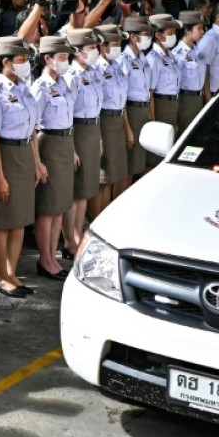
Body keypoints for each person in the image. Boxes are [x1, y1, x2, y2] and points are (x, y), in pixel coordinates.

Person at [0, 37, 41, 297]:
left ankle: (12, 271)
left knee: (19, 218)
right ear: (6, 62)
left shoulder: (25, 89)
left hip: (23, 153)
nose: (26, 64)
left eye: (27, 59)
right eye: (21, 60)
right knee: (2, 219)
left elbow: (32, 131)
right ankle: (0, 275)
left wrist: (36, 162)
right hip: (5, 154)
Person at [31, 36, 77, 280]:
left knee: (60, 205)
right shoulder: (40, 87)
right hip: (48, 143)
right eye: (61, 58)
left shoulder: (63, 84)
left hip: (65, 142)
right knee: (47, 207)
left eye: (66, 57)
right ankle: (45, 258)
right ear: (47, 59)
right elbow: (33, 127)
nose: (65, 62)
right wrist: (37, 161)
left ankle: (54, 255)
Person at [62, 29, 103, 261]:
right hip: (76, 130)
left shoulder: (93, 72)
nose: (95, 52)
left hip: (91, 129)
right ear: (77, 52)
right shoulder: (71, 76)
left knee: (86, 188)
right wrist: (73, 148)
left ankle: (78, 233)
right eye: (90, 48)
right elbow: (67, 114)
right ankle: (70, 239)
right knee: (75, 189)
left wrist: (97, 137)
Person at [90, 25, 129, 219]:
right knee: (103, 178)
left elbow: (121, 101)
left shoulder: (116, 67)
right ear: (103, 46)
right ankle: (97, 219)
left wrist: (126, 127)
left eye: (119, 44)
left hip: (117, 121)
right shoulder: (97, 68)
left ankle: (107, 216)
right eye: (114, 44)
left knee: (114, 175)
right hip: (104, 122)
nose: (118, 48)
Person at [120, 16, 154, 187]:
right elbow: (122, 98)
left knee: (139, 162)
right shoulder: (123, 60)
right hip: (131, 112)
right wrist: (128, 129)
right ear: (133, 37)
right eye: (145, 34)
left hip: (143, 111)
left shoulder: (143, 58)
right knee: (128, 165)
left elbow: (147, 91)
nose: (149, 38)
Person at [147, 14, 182, 168]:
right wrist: (153, 120)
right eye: (169, 33)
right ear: (158, 35)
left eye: (174, 33)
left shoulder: (170, 55)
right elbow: (150, 93)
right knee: (156, 156)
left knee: (168, 152)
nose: (173, 36)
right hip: (160, 105)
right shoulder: (153, 58)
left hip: (173, 105)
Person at [173, 10, 207, 134]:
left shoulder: (197, 52)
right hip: (185, 100)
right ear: (187, 30)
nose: (203, 32)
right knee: (185, 135)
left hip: (199, 98)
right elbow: (175, 85)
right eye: (199, 28)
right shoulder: (178, 55)